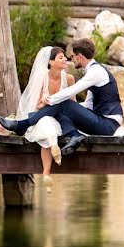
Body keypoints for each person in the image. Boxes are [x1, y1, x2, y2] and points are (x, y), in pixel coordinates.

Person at [0, 38, 124, 156]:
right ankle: (75, 135)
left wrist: (49, 101)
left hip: (108, 125)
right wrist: (63, 107)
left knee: (63, 102)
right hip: (101, 122)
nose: (71, 60)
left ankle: (21, 125)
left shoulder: (96, 72)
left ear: (80, 57)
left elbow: (70, 92)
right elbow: (88, 105)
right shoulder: (93, 72)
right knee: (61, 107)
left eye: (72, 56)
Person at [12, 46, 77, 180]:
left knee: (47, 127)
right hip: (43, 118)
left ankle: (46, 172)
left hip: (62, 120)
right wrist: (42, 102)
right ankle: (53, 148)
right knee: (46, 123)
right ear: (51, 62)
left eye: (65, 57)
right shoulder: (42, 78)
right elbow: (34, 109)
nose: (65, 59)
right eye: (61, 57)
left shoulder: (69, 79)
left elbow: (73, 106)